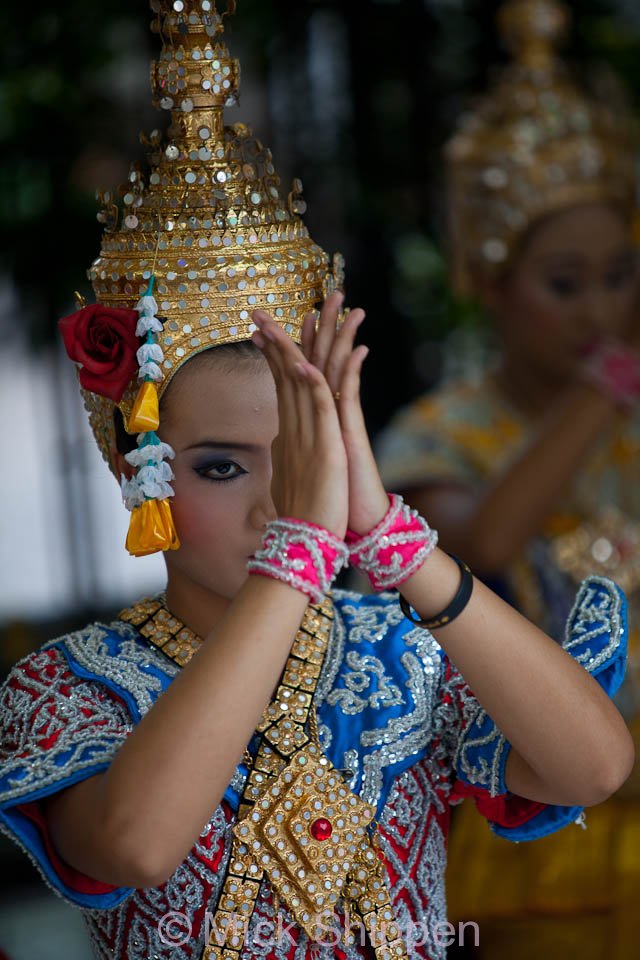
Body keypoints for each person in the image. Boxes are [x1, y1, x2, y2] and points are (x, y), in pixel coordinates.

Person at [0, 3, 633, 960]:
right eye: (221, 466)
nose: (274, 503)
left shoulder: (402, 653)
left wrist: (389, 537)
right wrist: (298, 558)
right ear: (140, 468)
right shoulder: (74, 685)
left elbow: (592, 767)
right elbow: (133, 845)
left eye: (301, 462)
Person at [376, 0, 640, 956]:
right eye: (566, 283)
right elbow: (479, 545)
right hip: (540, 819)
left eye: (622, 274)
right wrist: (602, 393)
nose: (603, 307)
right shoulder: (435, 436)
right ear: (489, 281)